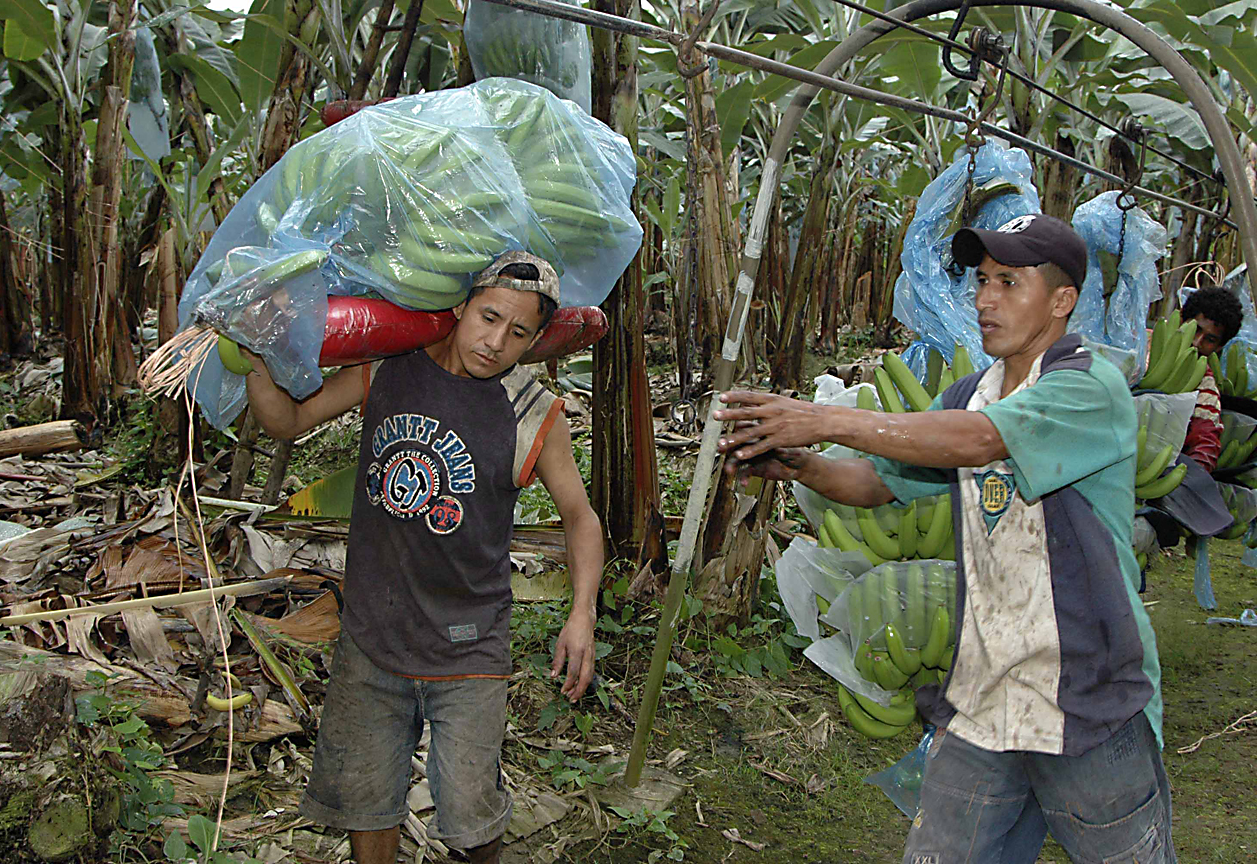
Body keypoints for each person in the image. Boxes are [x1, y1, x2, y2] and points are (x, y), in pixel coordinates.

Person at [713, 214, 1174, 864]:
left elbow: (985, 441)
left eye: (1009, 282)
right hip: (983, 690)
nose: (985, 298)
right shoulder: (972, 395)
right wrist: (798, 464)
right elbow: (878, 483)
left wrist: (823, 416)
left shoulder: (1086, 387)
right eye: (982, 280)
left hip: (1083, 693)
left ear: (1062, 300)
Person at [243, 251, 604, 864]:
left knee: (470, 818)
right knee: (367, 802)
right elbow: (291, 419)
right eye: (488, 317)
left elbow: (580, 517)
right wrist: (255, 357)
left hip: (469, 646)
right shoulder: (388, 371)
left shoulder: (531, 412)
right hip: (372, 637)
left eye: (518, 333)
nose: (495, 342)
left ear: (537, 340)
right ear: (460, 306)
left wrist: (582, 615)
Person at [1174, 285, 1244, 472]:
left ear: (1219, 348)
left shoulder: (1205, 387)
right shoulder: (1141, 354)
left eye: (1210, 339)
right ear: (1181, 319)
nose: (1196, 342)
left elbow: (1205, 441)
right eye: (1195, 329)